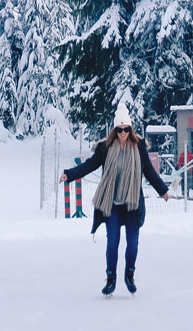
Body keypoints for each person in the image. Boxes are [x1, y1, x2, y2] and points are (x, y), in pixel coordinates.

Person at [60, 103, 169, 296]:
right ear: (115, 129)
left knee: (133, 243)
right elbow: (89, 165)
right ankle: (111, 279)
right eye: (119, 129)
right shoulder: (105, 148)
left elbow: (149, 172)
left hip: (132, 204)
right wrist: (69, 174)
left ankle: (129, 274)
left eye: (126, 129)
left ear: (130, 128)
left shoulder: (139, 147)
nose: (123, 133)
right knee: (112, 243)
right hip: (112, 205)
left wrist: (163, 190)